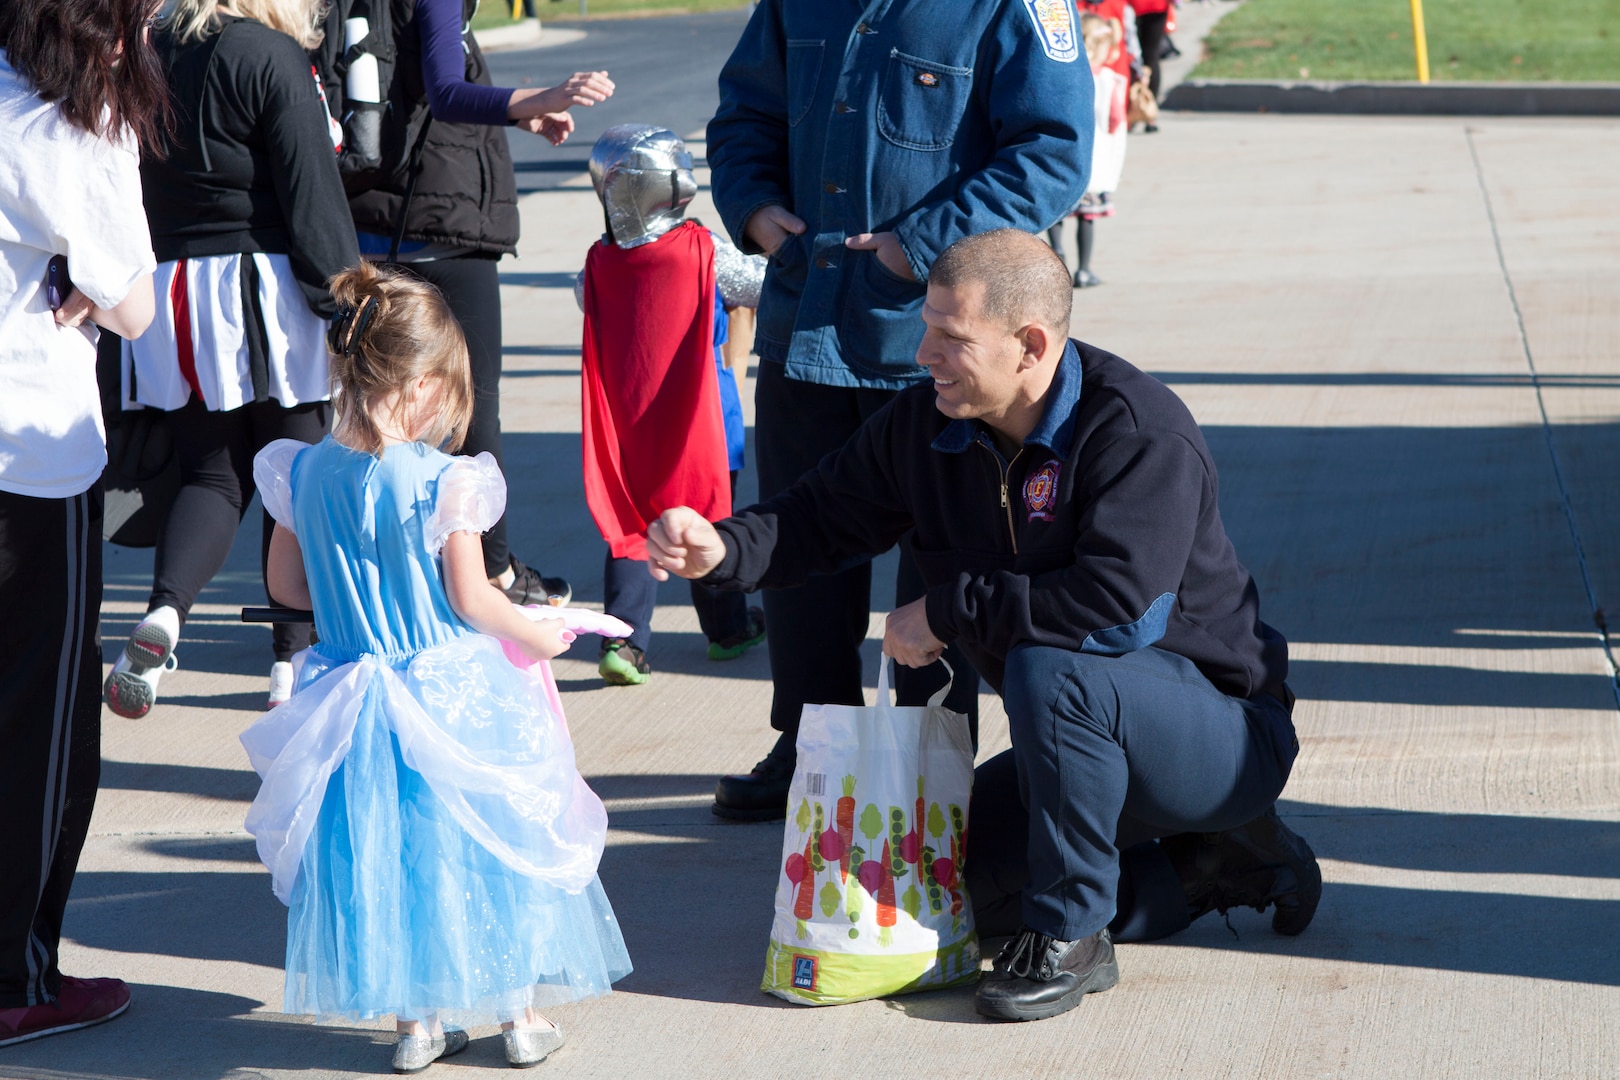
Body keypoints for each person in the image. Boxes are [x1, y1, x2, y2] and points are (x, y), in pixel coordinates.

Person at [644, 230, 1320, 1023]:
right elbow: (821, 514)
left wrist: (947, 608)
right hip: (1080, 748)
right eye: (926, 324)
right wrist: (722, 547)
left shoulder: (1136, 430)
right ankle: (1215, 864)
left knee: (1048, 665)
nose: (924, 350)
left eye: (951, 337)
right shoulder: (929, 423)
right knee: (935, 898)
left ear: (1030, 344)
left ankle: (1073, 933)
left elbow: (1115, 610)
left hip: (1218, 738)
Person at [704, 0, 1095, 821]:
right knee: (801, 557)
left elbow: (1053, 152)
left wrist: (918, 246)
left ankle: (931, 767)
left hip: (939, 353)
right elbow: (745, 110)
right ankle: (811, 748)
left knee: (942, 576)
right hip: (807, 329)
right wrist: (751, 206)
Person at [243, 262, 630, 1072]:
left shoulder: (302, 471)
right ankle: (518, 1017)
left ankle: (417, 1026)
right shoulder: (446, 481)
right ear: (420, 383)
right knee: (487, 845)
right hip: (450, 693)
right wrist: (538, 632)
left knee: (392, 859)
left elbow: (286, 588)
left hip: (352, 696)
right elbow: (472, 599)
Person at [101, 0, 361, 720]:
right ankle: (290, 663)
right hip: (266, 289)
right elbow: (313, 197)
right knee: (297, 480)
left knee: (211, 475)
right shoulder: (267, 55)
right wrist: (345, 304)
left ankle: (164, 616)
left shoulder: (142, 51)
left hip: (169, 289)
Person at [0, 0, 162, 1047]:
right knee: (41, 720)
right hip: (31, 449)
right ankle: (19, 972)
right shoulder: (66, 124)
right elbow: (135, 300)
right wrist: (86, 294)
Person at [340, 0, 616, 609]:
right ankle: (493, 573)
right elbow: (445, 91)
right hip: (441, 227)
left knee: (380, 412)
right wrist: (538, 97)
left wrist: (520, 116)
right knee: (470, 410)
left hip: (378, 222)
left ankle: (380, 571)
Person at [575, 124, 767, 686]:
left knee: (635, 522)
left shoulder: (597, 263)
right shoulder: (704, 249)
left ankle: (624, 641)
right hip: (707, 419)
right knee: (707, 521)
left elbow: (587, 301)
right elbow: (762, 285)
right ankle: (728, 631)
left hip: (632, 422)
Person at [1048, 13, 1131, 289]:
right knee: (1087, 217)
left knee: (1059, 213)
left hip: (1064, 156)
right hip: (1095, 161)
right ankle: (1084, 269)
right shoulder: (1109, 80)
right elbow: (1115, 119)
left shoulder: (1065, 77)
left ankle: (1057, 252)